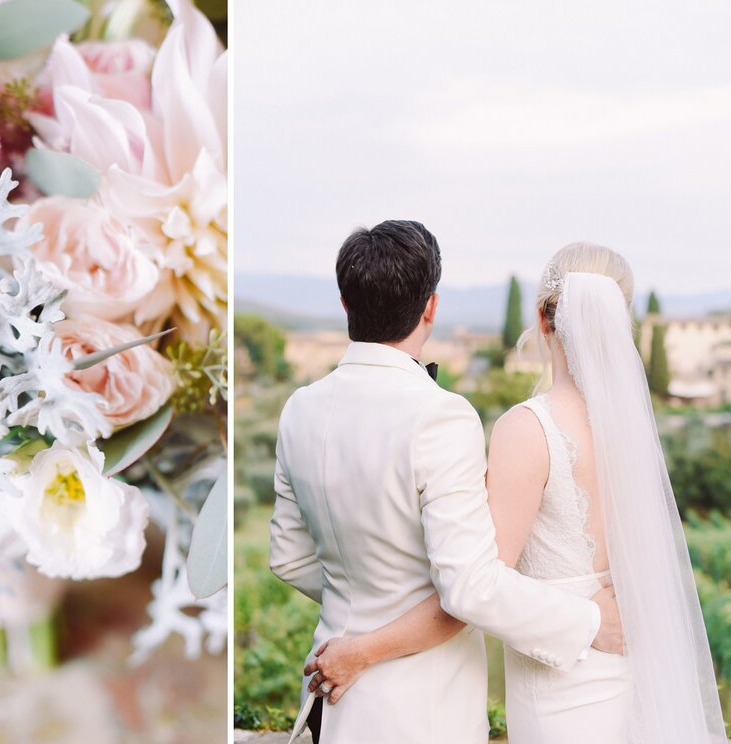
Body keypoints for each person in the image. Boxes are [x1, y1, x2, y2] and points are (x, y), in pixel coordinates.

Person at [302, 240, 727, 744]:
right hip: (630, 668)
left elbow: (478, 585)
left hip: (562, 689)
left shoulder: (528, 428)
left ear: (543, 320)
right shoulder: (633, 427)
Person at [269, 223, 624, 744]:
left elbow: (287, 556)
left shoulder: (298, 408)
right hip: (424, 712)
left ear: (345, 303)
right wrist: (590, 622)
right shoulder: (443, 416)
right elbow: (471, 587)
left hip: (331, 693)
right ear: (431, 306)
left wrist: (363, 603)